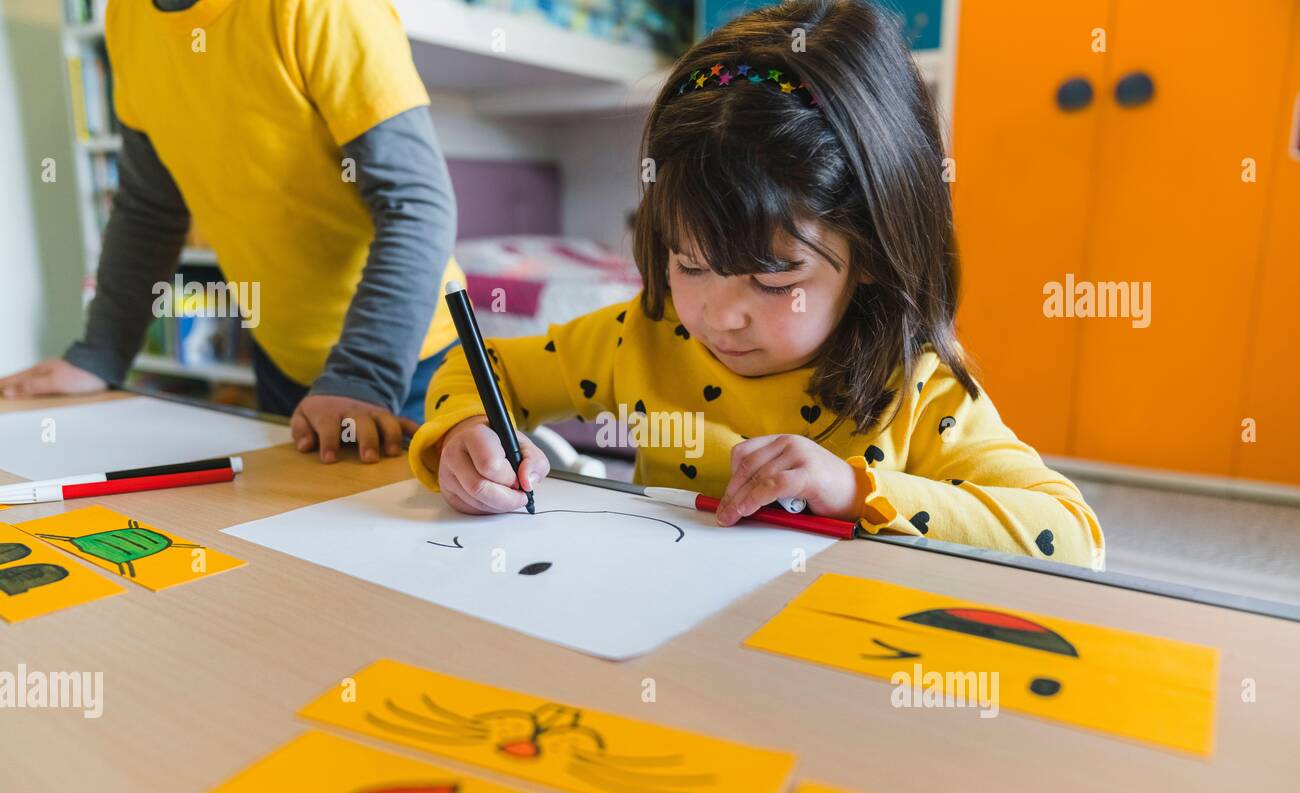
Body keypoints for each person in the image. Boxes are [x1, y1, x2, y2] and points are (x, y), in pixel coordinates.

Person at [405, 0, 1104, 568]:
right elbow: (479, 364)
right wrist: (465, 433)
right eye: (690, 263)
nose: (719, 315)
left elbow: (1072, 535)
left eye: (773, 281)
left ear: (869, 251)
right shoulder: (640, 337)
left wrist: (859, 491)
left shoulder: (915, 387)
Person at [0, 0, 461, 465]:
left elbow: (416, 204)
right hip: (284, 363)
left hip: (407, 362)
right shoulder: (126, 15)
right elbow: (148, 209)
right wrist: (98, 353)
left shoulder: (322, 8)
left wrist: (363, 375)